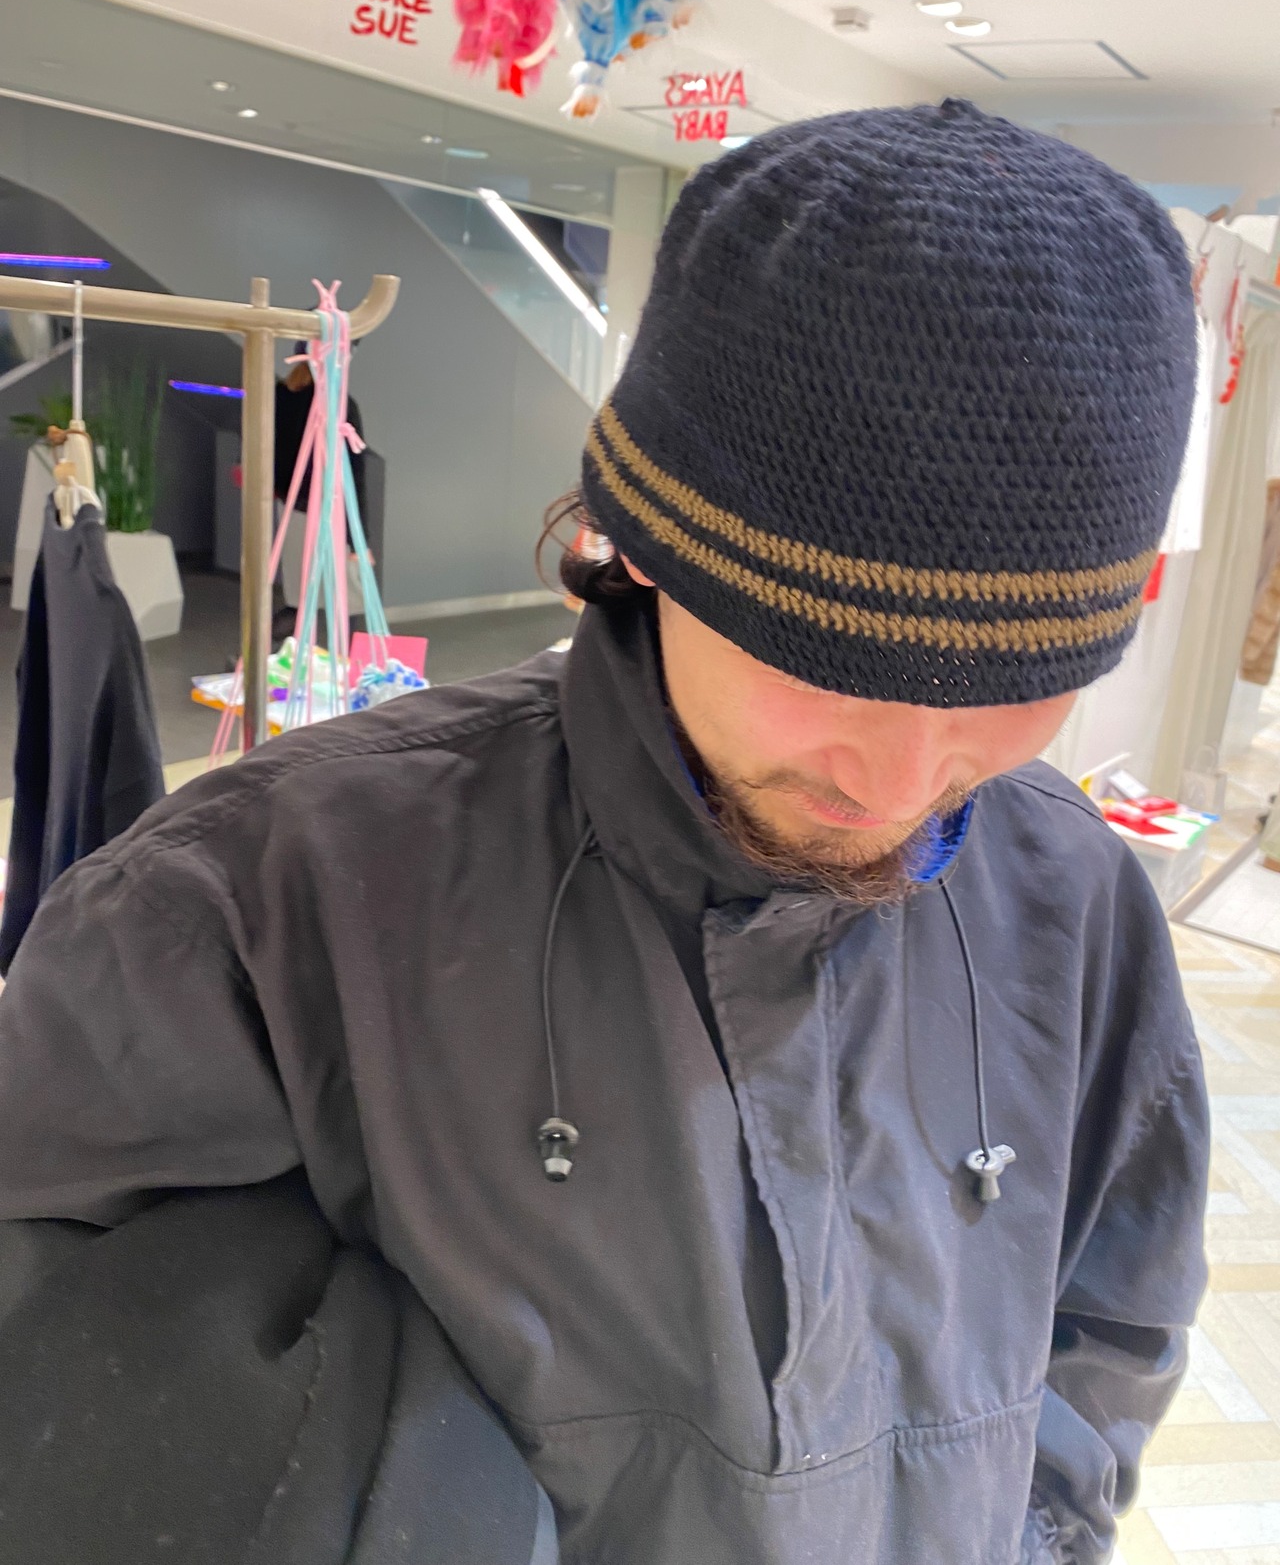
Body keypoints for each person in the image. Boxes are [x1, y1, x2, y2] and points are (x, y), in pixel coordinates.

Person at [0, 101, 1207, 1565]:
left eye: (1008, 688)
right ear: (642, 545)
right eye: (816, 657)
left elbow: (1110, 1318)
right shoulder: (252, 905)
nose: (901, 775)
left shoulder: (1072, 893)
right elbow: (68, 1364)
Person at [273, 339, 371, 642]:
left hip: (291, 509)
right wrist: (360, 542)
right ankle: (350, 663)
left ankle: (259, 656)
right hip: (329, 512)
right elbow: (353, 475)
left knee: (299, 598)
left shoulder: (279, 396)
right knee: (348, 598)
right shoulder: (339, 404)